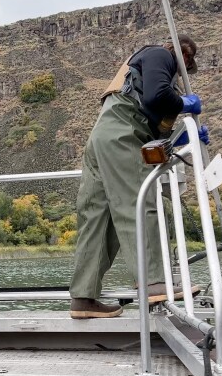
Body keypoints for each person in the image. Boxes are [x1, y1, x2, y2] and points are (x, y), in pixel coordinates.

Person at [69, 34, 209, 319]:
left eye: (190, 60)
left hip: (102, 139)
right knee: (141, 202)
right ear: (175, 49)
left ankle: (83, 298)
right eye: (185, 55)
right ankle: (155, 282)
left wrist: (183, 138)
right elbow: (157, 96)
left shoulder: (156, 76)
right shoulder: (159, 54)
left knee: (99, 219)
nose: (186, 60)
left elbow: (157, 134)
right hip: (121, 136)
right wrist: (186, 103)